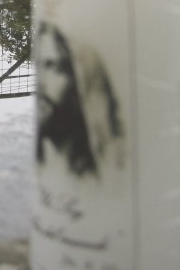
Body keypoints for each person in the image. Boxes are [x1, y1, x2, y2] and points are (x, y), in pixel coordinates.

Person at [34, 21, 124, 180]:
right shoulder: (43, 162)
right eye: (38, 66)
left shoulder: (101, 173)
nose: (40, 81)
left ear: (80, 80)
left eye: (53, 67)